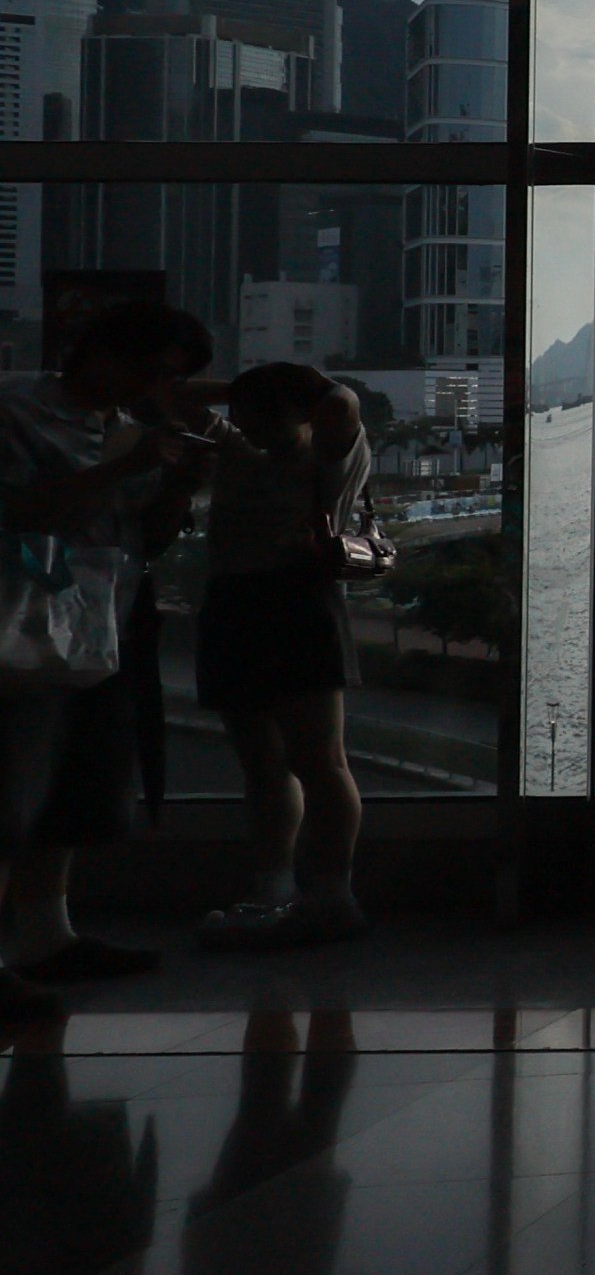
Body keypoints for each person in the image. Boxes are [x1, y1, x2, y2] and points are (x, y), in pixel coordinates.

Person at [0, 298, 219, 1003]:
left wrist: (179, 486)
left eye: (167, 378)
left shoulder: (128, 431)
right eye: (148, 371)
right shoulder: (16, 413)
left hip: (98, 630)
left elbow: (141, 542)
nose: (150, 389)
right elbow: (22, 514)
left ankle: (46, 936)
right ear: (99, 352)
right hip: (18, 630)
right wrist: (122, 470)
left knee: (66, 795)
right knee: (8, 795)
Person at [192, 365, 372, 952]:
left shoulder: (330, 455)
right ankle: (276, 894)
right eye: (245, 413)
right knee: (264, 765)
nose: (248, 424)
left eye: (265, 413)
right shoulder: (235, 444)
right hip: (235, 602)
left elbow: (342, 406)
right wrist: (241, 394)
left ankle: (329, 897)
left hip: (297, 600)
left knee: (319, 761)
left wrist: (309, 389)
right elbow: (172, 398)